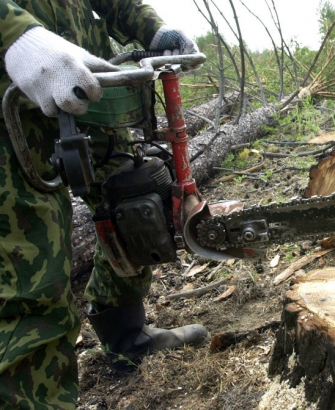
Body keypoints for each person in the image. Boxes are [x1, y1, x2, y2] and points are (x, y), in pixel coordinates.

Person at [0, 0, 208, 408]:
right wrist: (14, 37)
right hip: (12, 105)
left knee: (137, 205)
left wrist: (151, 29)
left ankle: (127, 339)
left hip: (87, 84)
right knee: (29, 279)